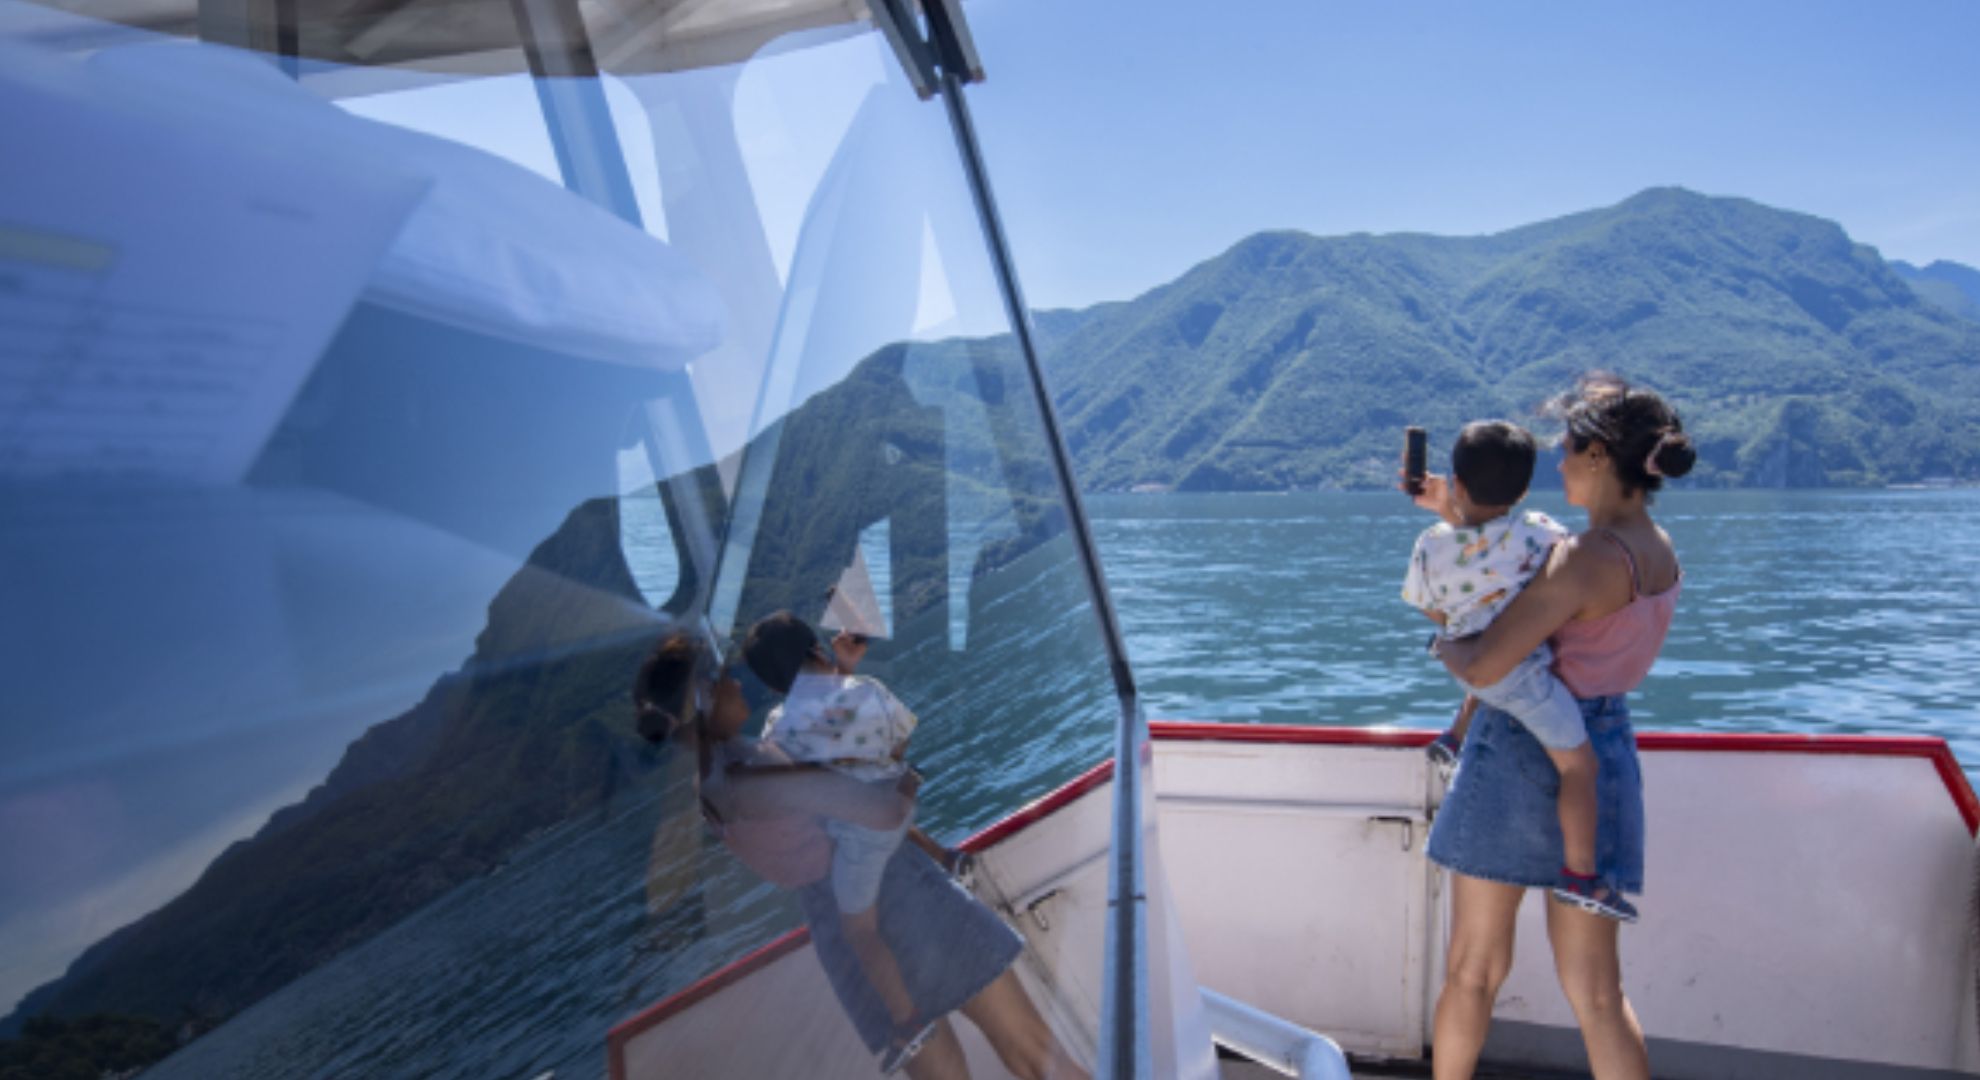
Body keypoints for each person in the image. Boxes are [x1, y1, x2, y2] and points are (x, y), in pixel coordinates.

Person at [634, 630, 1087, 1080]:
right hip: (902, 902)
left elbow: (813, 800)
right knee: (1035, 1055)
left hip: (843, 936)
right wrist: (906, 773)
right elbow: (878, 810)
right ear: (702, 699)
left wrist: (840, 677)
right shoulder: (752, 775)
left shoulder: (711, 787)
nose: (734, 681)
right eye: (720, 676)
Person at [1415, 373, 1693, 1080]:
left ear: (1600, 457)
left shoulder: (1580, 560)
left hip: (1517, 751)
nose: (1558, 462)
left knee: (1473, 971)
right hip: (1604, 751)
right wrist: (1459, 517)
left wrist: (1442, 640)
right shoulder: (1655, 552)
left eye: (1567, 447)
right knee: (1600, 994)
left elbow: (1485, 663)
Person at [1403, 421, 1632, 922]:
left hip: (1467, 664)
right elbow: (1564, 568)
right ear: (1525, 488)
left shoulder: (1429, 545)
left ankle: (1455, 737)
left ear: (1457, 483)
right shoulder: (1541, 532)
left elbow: (1431, 608)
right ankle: (1581, 874)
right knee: (1580, 767)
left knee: (1482, 658)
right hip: (1520, 675)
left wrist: (1449, 516)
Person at [741, 610, 941, 1071]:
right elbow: (899, 740)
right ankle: (945, 856)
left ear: (771, 687)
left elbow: (799, 779)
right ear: (817, 650)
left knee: (858, 931)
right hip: (900, 800)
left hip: (867, 834)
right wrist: (844, 675)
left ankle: (906, 1020)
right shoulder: (866, 689)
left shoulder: (777, 728)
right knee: (876, 793)